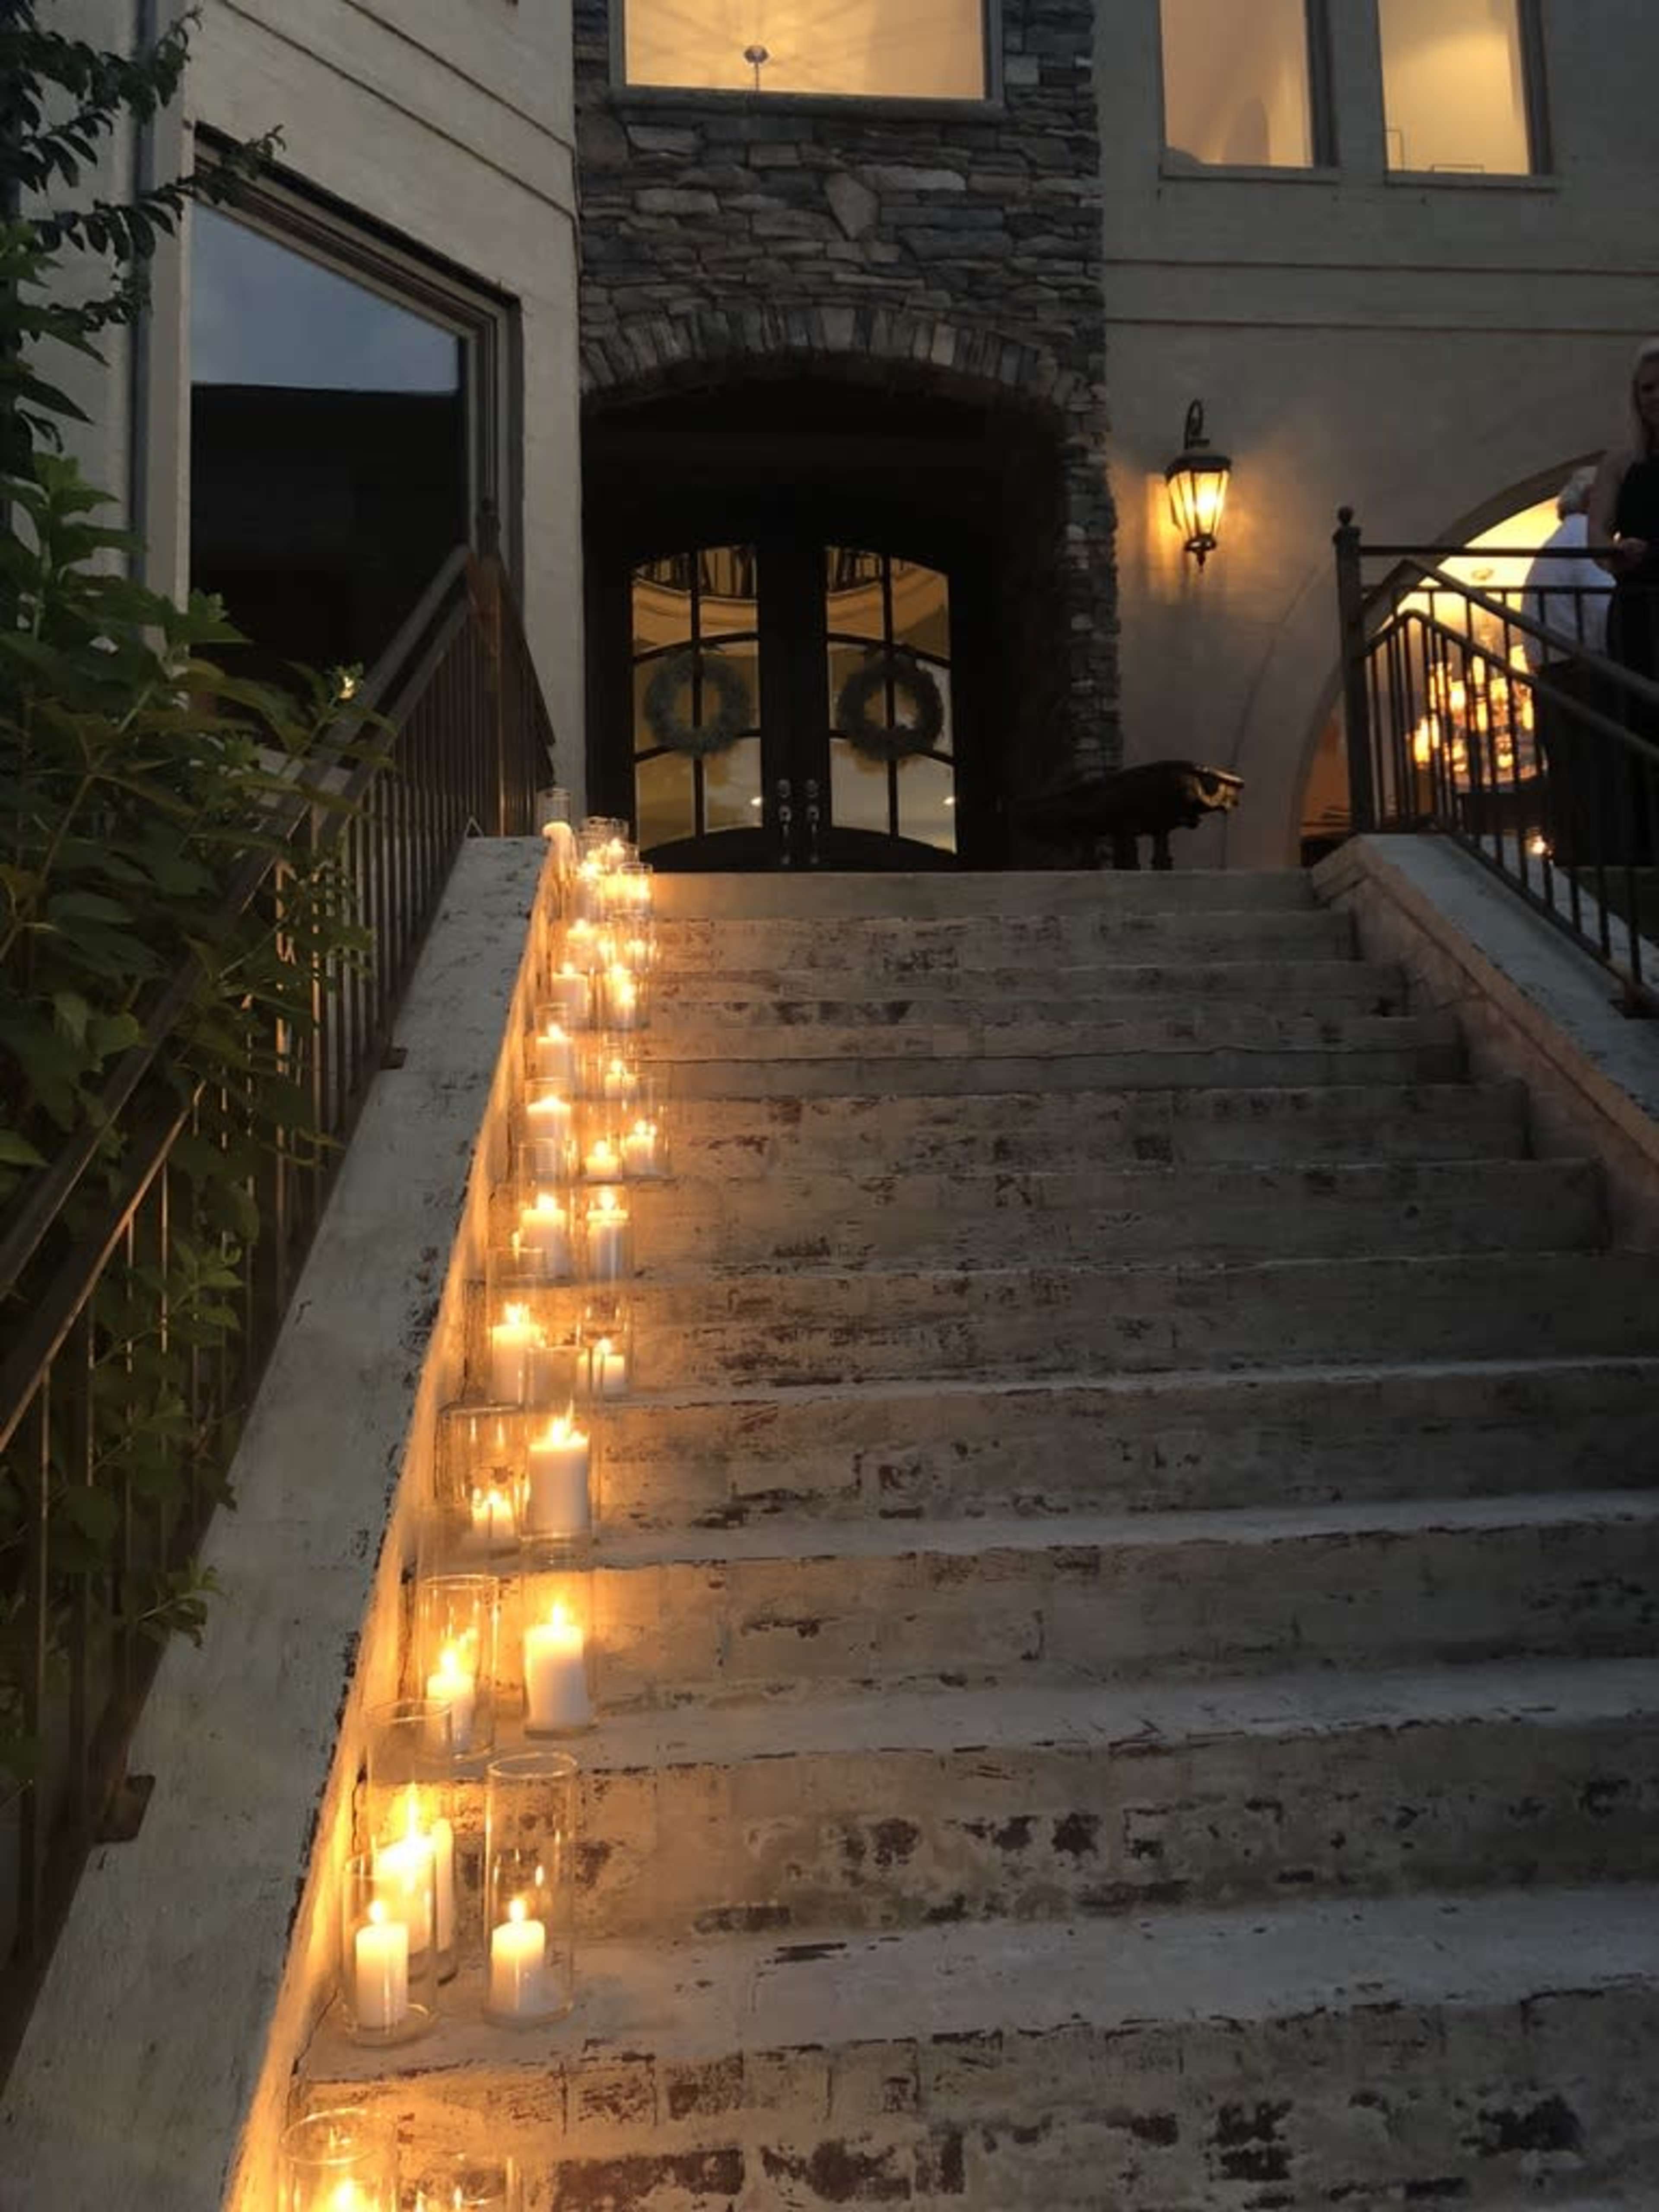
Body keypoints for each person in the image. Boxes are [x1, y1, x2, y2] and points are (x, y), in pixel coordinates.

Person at [1586, 337, 1659, 861]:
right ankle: (1645, 848)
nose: (1655, 398)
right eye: (1647, 389)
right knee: (1640, 719)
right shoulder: (1619, 463)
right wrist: (1616, 551)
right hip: (1639, 608)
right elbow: (1595, 537)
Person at [1521, 468, 1615, 860]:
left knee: (1571, 776)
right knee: (1599, 776)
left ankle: (1578, 854)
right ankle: (1603, 856)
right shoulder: (1583, 539)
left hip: (1555, 679)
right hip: (1582, 677)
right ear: (1595, 498)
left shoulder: (1557, 543)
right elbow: (1603, 613)